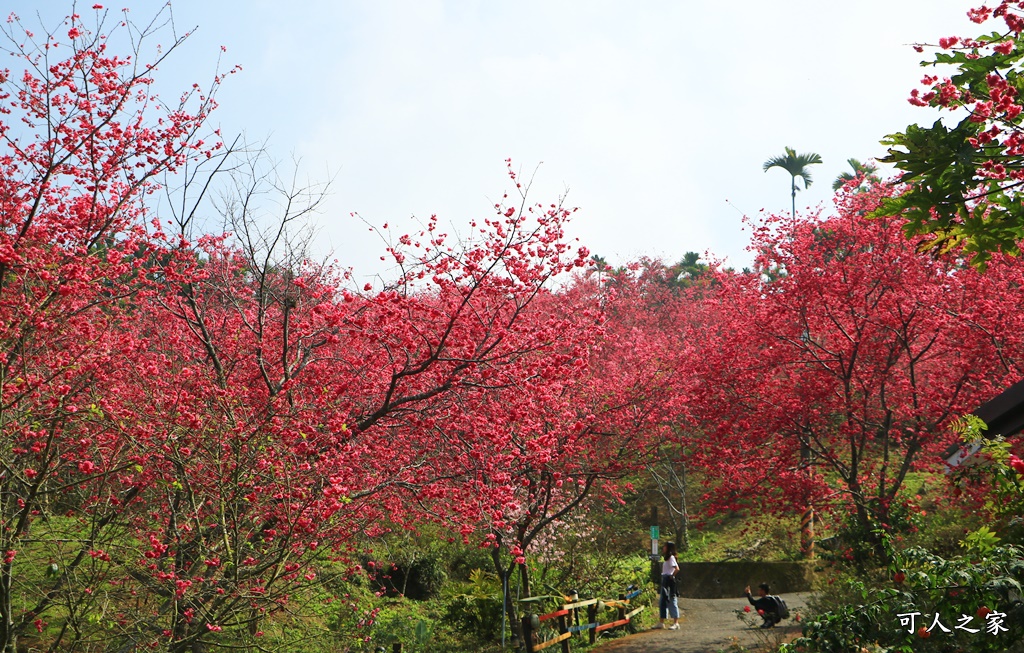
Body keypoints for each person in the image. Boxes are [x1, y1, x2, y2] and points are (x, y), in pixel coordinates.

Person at [658, 541, 680, 630]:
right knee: (663, 601)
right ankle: (661, 622)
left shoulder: (671, 558)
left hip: (669, 581)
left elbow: (677, 568)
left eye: (665, 546)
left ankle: (676, 623)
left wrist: (671, 576)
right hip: (665, 579)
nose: (663, 548)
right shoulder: (667, 558)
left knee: (672, 600)